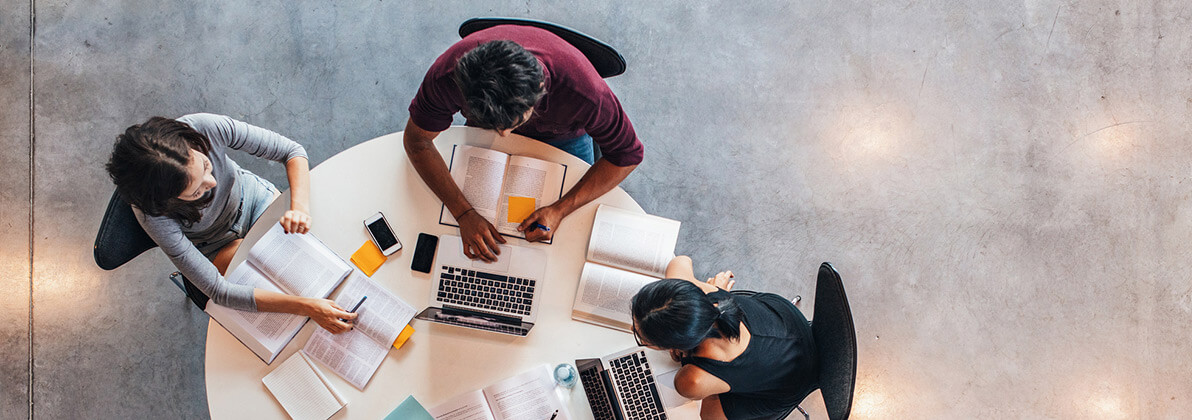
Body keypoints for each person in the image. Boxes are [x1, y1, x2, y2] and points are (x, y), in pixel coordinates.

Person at [404, 24, 644, 262]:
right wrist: (463, 212)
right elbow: (417, 141)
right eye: (496, 126)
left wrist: (560, 209)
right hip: (493, 131)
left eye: (512, 123)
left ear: (540, 89)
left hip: (565, 136)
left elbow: (627, 156)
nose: (504, 136)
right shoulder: (447, 76)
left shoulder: (586, 94)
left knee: (569, 238)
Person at [105, 113, 355, 334]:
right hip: (214, 245)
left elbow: (292, 151)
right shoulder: (153, 215)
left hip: (256, 202)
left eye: (205, 165)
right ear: (167, 201)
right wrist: (306, 307)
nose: (212, 183)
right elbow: (219, 291)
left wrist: (299, 208)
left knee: (320, 253)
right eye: (196, 191)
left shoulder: (203, 127)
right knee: (283, 293)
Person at [631, 256, 818, 420]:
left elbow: (705, 410)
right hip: (787, 322)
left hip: (792, 381)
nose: (633, 328)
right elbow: (680, 261)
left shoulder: (690, 381)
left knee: (709, 416)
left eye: (641, 338)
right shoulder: (702, 295)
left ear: (676, 346)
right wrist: (715, 288)